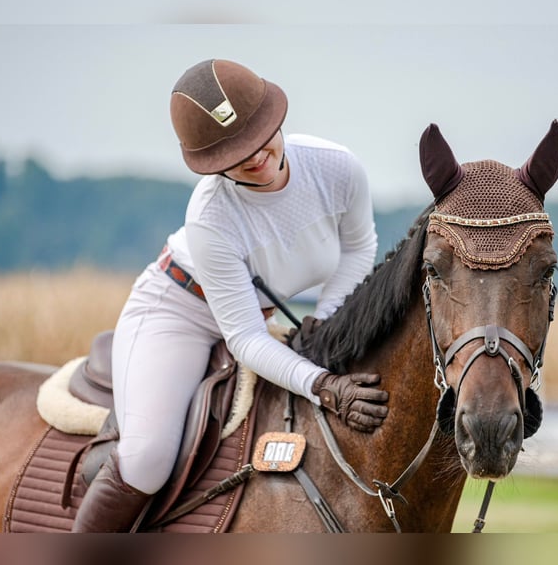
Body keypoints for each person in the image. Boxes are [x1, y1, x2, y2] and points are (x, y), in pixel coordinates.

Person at [71, 59, 390, 532]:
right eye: (235, 153)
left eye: (261, 136)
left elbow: (359, 247)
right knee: (147, 457)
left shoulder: (337, 167)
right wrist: (323, 386)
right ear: (211, 163)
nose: (256, 156)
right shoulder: (210, 216)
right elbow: (243, 338)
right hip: (178, 309)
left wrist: (325, 321)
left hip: (252, 310)